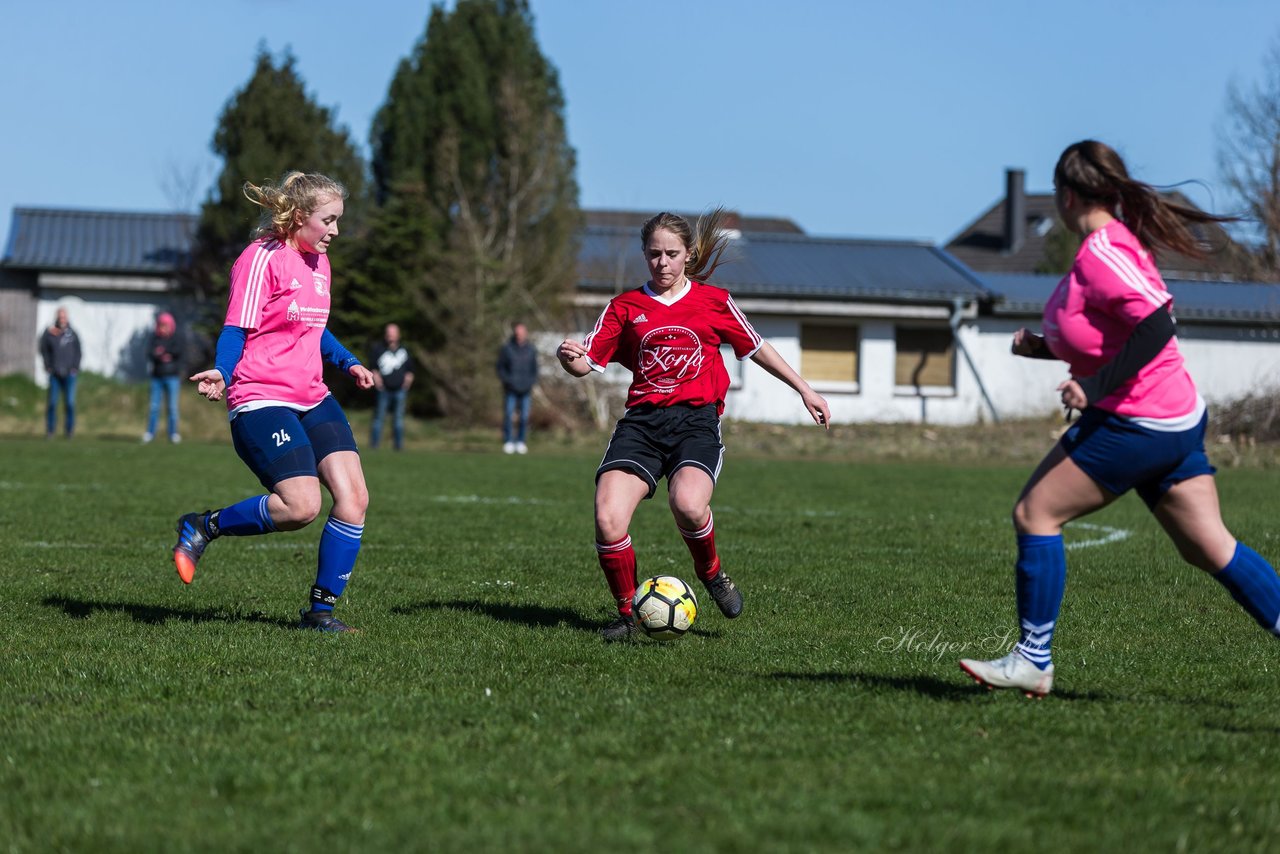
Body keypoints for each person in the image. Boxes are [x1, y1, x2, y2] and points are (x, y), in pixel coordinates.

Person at [959, 140, 1280, 697]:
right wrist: (1043, 348)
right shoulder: (1108, 247)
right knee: (1209, 546)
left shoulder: (1104, 252)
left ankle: (1033, 660)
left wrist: (1093, 386)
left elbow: (1156, 327)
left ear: (1065, 196)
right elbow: (1108, 334)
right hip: (1170, 418)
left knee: (1036, 512)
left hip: (1138, 420)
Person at [557, 209, 831, 641]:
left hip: (695, 423)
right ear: (644, 255)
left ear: (688, 255)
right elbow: (587, 362)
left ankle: (712, 573)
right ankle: (627, 616)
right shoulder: (624, 307)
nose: (662, 263)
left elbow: (757, 347)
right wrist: (568, 359)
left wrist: (804, 389)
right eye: (653, 254)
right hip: (642, 425)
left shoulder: (714, 301)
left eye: (671, 254)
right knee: (608, 518)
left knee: (687, 504)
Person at [173, 171, 375, 632]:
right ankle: (204, 526)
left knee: (354, 498)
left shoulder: (319, 263)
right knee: (301, 507)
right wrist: (223, 373)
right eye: (329, 220)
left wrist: (348, 363)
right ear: (300, 217)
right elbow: (236, 326)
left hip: (312, 396)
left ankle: (320, 612)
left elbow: (314, 327)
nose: (335, 231)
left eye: (338, 220)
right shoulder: (260, 258)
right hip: (261, 397)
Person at [370, 322, 414, 451]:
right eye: (388, 333)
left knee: (398, 420)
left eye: (393, 333)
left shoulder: (404, 351)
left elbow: (410, 370)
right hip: (383, 390)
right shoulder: (378, 349)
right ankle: (374, 446)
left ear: (398, 335)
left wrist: (406, 384)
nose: (391, 336)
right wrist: (377, 381)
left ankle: (398, 447)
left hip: (400, 390)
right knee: (379, 418)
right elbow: (373, 368)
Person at [39, 307, 81, 438]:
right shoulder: (50, 333)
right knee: (52, 403)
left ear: (67, 318)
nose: (62, 319)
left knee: (69, 403)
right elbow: (43, 349)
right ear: (57, 317)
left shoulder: (72, 334)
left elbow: (78, 352)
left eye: (64, 317)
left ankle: (69, 431)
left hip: (70, 374)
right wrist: (47, 366)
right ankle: (50, 431)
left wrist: (75, 367)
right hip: (55, 373)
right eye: (60, 316)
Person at [497, 321, 538, 454]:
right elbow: (500, 368)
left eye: (521, 333)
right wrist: (507, 381)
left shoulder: (531, 350)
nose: (519, 335)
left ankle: (521, 441)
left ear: (525, 334)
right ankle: (509, 441)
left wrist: (531, 382)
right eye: (517, 333)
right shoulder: (507, 348)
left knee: (524, 417)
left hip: (526, 388)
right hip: (511, 388)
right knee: (509, 415)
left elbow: (535, 369)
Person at [143, 312, 183, 443]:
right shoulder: (154, 339)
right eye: (161, 325)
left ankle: (173, 433)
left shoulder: (176, 339)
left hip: (172, 377)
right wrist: (161, 354)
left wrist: (163, 352)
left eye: (165, 325)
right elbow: (150, 353)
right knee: (154, 407)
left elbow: (178, 352)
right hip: (157, 377)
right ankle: (150, 433)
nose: (163, 328)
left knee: (172, 407)